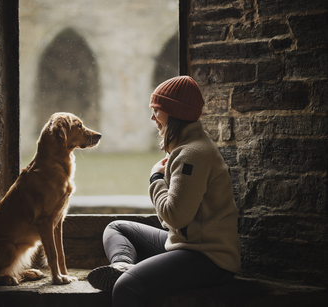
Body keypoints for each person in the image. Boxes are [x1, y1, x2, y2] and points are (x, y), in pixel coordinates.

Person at [87, 76, 241, 307]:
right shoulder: (187, 147)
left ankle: (125, 277)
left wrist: (155, 178)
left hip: (209, 259)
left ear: (174, 113)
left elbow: (176, 216)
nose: (153, 118)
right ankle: (122, 267)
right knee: (116, 228)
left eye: (157, 111)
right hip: (186, 245)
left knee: (126, 288)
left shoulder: (192, 154)